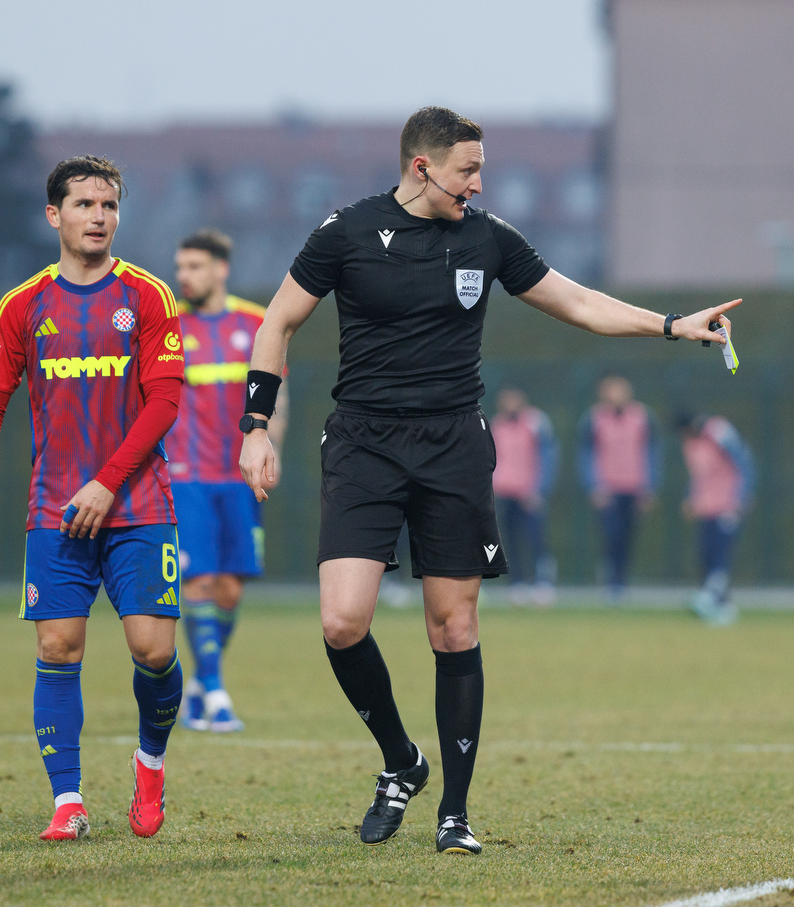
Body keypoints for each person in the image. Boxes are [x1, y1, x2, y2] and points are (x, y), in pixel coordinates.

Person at [238, 106, 740, 855]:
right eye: (467, 170)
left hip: (452, 449)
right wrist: (256, 427)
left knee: (456, 628)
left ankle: (455, 813)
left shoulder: (488, 237)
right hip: (363, 445)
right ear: (422, 168)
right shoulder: (344, 232)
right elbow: (276, 323)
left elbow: (578, 302)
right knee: (343, 622)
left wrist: (670, 324)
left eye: (480, 169)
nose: (478, 182)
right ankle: (402, 761)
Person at [0, 156, 185, 842]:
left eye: (109, 206)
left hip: (138, 504)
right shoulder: (23, 304)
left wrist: (108, 479)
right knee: (58, 646)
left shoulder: (147, 296)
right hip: (55, 507)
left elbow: (166, 402)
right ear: (54, 215)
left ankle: (150, 763)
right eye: (85, 205)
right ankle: (68, 802)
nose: (99, 216)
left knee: (152, 651)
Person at [167, 228, 287, 732]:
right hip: (185, 476)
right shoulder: (166, 326)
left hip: (237, 476)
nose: (184, 276)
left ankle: (199, 683)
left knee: (232, 587)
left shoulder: (257, 323)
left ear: (220, 269)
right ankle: (214, 690)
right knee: (198, 578)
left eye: (194, 266)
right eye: (180, 267)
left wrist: (269, 446)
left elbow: (275, 397)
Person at [578, 376, 660, 601]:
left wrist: (649, 486)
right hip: (608, 489)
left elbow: (651, 453)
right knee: (610, 535)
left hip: (634, 488)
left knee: (628, 537)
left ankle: (622, 583)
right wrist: (593, 486)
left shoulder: (643, 417)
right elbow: (587, 455)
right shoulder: (594, 419)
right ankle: (609, 581)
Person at [678, 413, 755, 625]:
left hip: (727, 506)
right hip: (706, 507)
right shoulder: (691, 444)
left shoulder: (719, 431)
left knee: (721, 555)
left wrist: (742, 496)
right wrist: (689, 498)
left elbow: (743, 462)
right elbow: (699, 476)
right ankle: (721, 605)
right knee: (707, 555)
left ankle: (710, 598)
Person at [490, 387, 558, 607]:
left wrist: (540, 488)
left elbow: (548, 457)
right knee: (510, 540)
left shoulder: (536, 423)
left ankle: (543, 583)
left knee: (537, 539)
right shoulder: (496, 424)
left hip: (530, 493)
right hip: (504, 491)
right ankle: (517, 583)